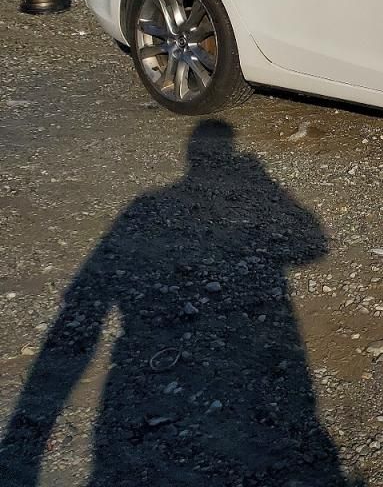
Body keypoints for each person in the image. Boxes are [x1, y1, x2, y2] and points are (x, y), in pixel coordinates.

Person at [0, 121, 359, 486]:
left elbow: (84, 302)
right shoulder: (161, 203)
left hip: (139, 363)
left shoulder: (146, 205)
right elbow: (313, 245)